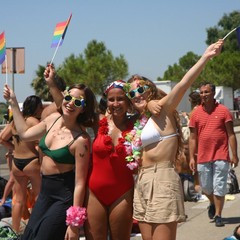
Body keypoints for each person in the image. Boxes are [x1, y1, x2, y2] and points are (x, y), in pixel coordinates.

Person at [124, 39, 224, 240]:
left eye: (140, 89)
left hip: (162, 178)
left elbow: (184, 82)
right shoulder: (138, 121)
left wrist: (205, 57)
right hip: (142, 180)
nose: (136, 95)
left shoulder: (164, 108)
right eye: (132, 92)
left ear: (150, 89)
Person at [3, 83, 97, 240]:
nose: (71, 103)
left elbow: (80, 183)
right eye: (68, 98)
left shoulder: (81, 140)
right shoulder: (52, 119)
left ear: (83, 108)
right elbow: (25, 134)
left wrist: (74, 224)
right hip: (44, 193)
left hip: (63, 197)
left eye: (78, 101)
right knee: (29, 236)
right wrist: (13, 101)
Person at [84, 80, 136, 240]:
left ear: (128, 101)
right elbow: (66, 106)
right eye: (111, 99)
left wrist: (152, 101)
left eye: (120, 99)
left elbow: (163, 104)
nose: (116, 103)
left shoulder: (137, 122)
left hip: (123, 193)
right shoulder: (97, 121)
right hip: (94, 193)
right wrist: (52, 82)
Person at [189, 82, 239, 227]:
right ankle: (212, 202)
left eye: (206, 92)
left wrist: (234, 154)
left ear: (213, 93)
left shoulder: (224, 111)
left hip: (221, 155)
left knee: (219, 186)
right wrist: (192, 157)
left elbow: (231, 134)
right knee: (205, 188)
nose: (203, 95)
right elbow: (192, 137)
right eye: (202, 92)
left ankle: (218, 215)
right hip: (203, 157)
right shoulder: (196, 113)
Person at [0, 95, 43, 233]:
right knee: (39, 197)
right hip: (31, 161)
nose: (42, 109)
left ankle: (15, 230)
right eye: (40, 107)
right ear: (36, 107)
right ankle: (37, 228)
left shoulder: (14, 122)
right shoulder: (33, 121)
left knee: (18, 200)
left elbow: (2, 139)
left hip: (17, 163)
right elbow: (45, 141)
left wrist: (14, 148)